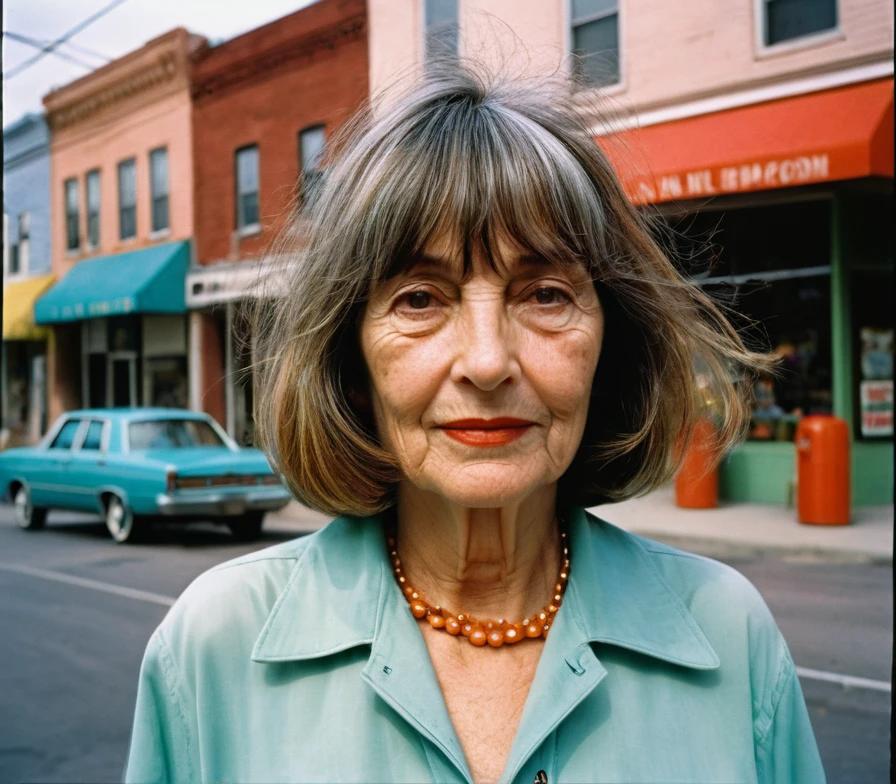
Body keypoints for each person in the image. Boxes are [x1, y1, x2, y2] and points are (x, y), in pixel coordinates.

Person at [124, 63, 825, 784]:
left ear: (608, 345)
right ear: (351, 361)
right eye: (420, 300)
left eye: (546, 294)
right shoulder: (209, 651)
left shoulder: (730, 637)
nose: (488, 362)